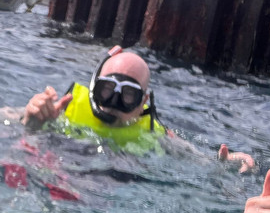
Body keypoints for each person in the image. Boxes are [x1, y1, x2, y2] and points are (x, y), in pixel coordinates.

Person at [21, 45, 254, 169]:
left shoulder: (155, 134)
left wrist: (227, 162)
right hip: (52, 166)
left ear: (143, 102)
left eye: (129, 95)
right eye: (107, 90)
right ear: (94, 88)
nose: (115, 103)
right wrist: (30, 120)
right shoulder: (60, 112)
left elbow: (199, 158)